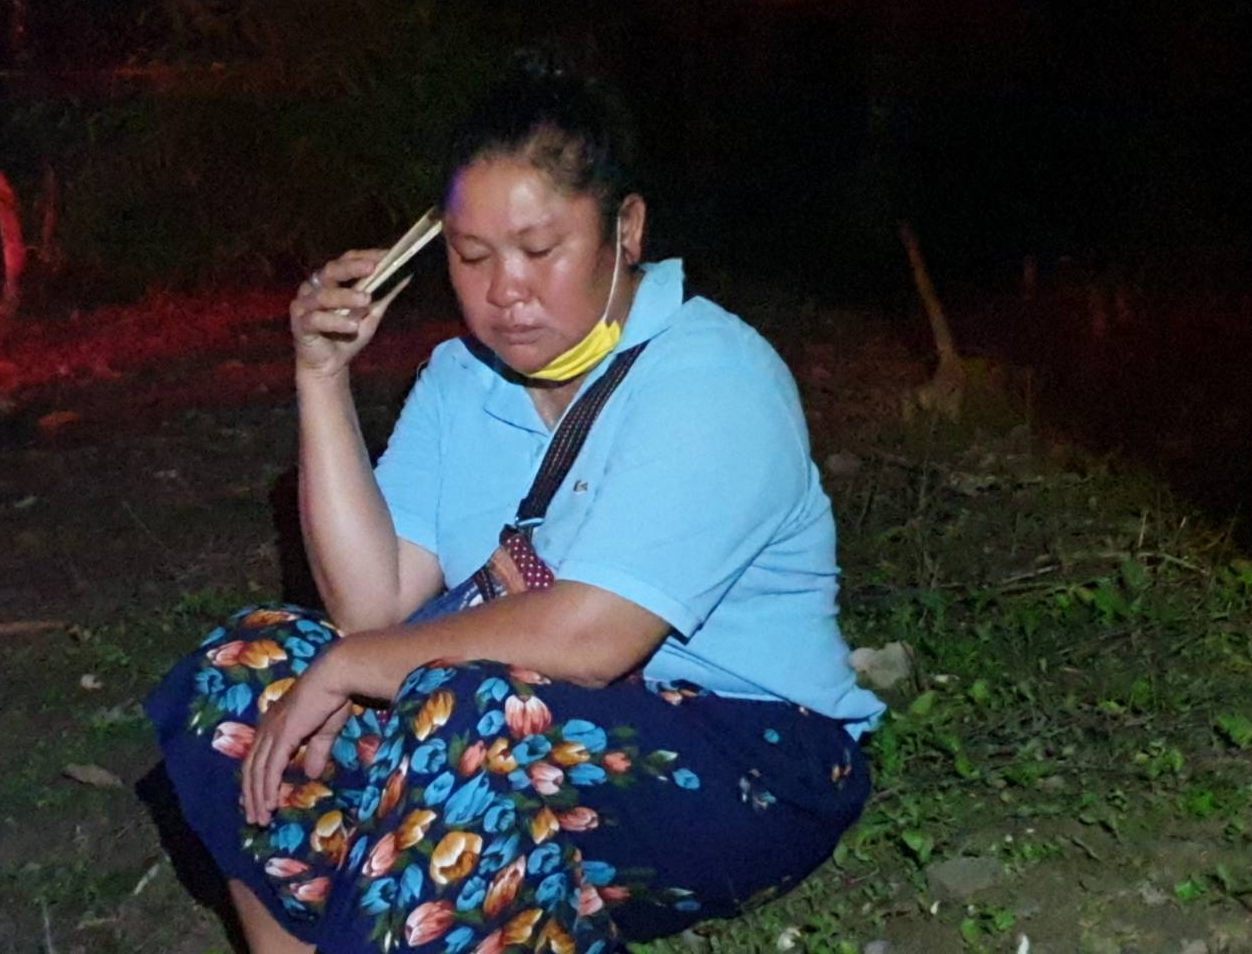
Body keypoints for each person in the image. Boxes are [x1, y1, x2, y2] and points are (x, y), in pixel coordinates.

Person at [146, 63, 885, 954]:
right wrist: (320, 376)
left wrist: (355, 666)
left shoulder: (713, 376)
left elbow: (591, 638)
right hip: (506, 726)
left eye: (540, 250)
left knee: (473, 711)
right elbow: (370, 608)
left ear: (627, 230)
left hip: (749, 757)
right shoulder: (459, 380)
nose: (505, 290)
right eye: (472, 256)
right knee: (244, 670)